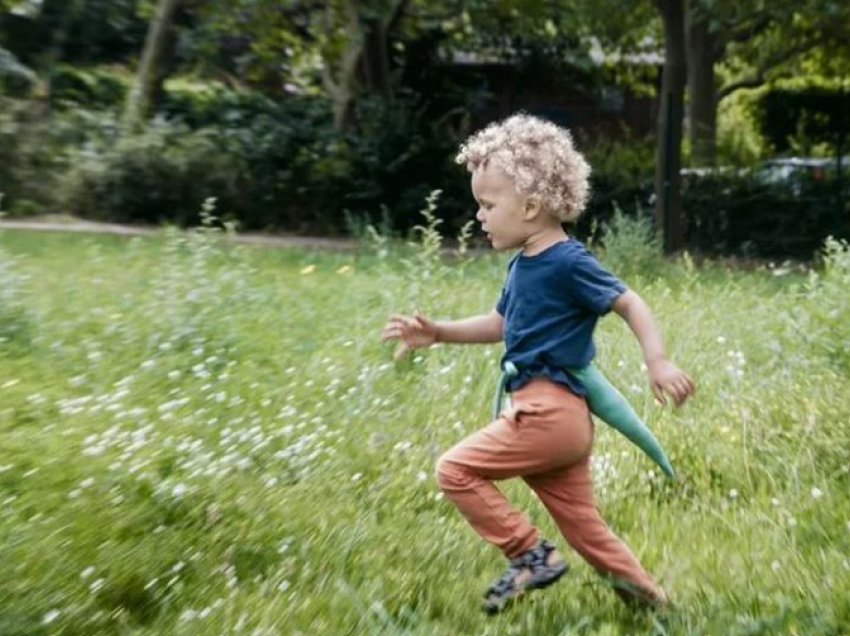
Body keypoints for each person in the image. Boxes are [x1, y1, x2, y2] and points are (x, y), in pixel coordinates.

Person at [381, 113, 695, 614]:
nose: (479, 216)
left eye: (487, 205)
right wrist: (438, 332)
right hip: (558, 421)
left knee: (455, 470)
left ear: (530, 206)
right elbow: (500, 325)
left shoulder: (568, 260)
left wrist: (656, 360)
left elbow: (629, 301)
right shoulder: (523, 264)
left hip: (547, 414)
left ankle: (530, 554)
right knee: (587, 530)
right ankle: (656, 608)